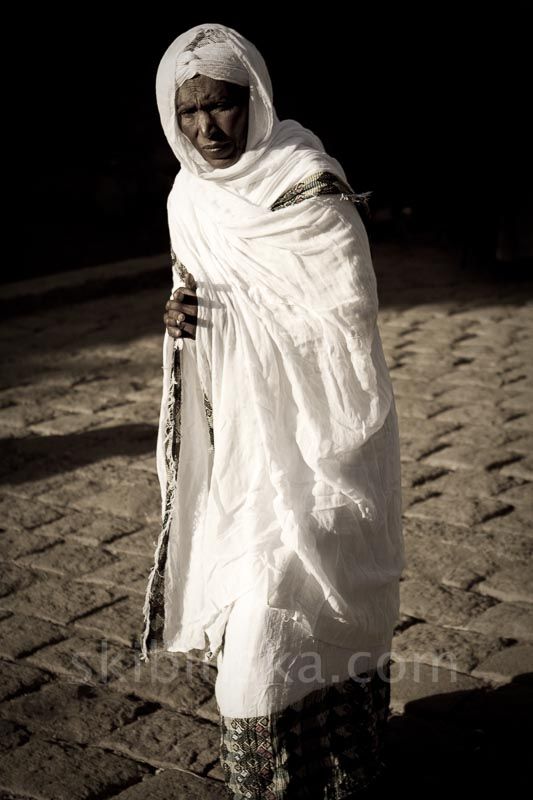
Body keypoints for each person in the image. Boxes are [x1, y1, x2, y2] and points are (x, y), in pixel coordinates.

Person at [140, 22, 406, 798]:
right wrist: (179, 323)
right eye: (187, 114)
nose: (204, 129)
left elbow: (346, 320)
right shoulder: (188, 197)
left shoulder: (305, 183)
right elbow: (196, 299)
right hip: (241, 457)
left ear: (251, 98)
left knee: (302, 609)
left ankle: (340, 769)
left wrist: (249, 324)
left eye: (218, 107)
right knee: (255, 626)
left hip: (323, 444)